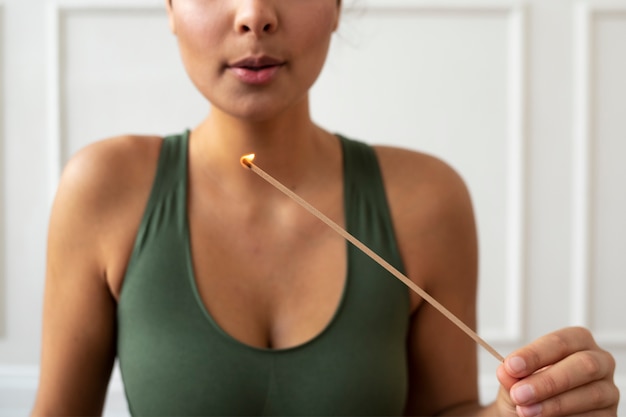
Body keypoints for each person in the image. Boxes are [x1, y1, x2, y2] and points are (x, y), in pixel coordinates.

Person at [32, 0, 619, 416]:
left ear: (337, 5)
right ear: (168, 6)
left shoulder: (427, 200)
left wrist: (520, 411)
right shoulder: (103, 190)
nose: (254, 13)